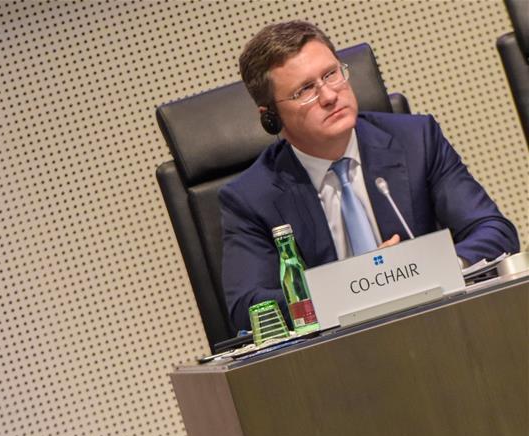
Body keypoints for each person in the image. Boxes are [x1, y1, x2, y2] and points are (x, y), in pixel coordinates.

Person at [220, 21, 520, 332]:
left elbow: (495, 231)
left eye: (331, 74)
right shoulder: (251, 198)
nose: (329, 95)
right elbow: (249, 306)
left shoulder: (417, 140)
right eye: (305, 90)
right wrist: (357, 284)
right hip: (335, 351)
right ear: (270, 117)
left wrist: (428, 269)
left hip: (440, 327)